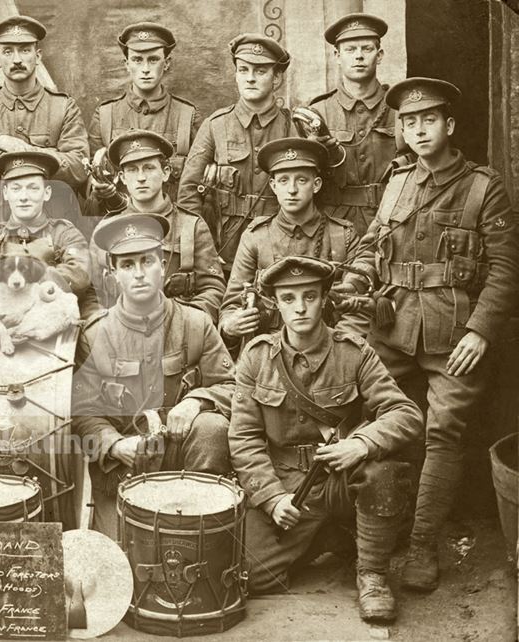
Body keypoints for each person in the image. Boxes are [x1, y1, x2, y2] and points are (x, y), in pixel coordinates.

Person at [340, 78, 519, 591]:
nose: (418, 130)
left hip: (455, 336)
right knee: (360, 406)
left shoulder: (484, 187)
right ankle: (370, 535)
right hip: (392, 327)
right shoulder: (397, 182)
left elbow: (506, 270)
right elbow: (374, 243)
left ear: (450, 126)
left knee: (444, 430)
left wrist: (481, 333)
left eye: (428, 121)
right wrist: (354, 281)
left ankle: (421, 546)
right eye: (409, 122)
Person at [230, 255, 422, 622]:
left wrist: (361, 444)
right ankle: (334, 538)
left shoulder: (353, 352)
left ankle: (372, 575)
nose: (300, 308)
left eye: (310, 296)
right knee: (251, 576)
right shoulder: (256, 359)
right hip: (288, 486)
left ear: (324, 298)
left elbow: (407, 414)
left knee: (382, 470)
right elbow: (244, 439)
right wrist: (271, 498)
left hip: (341, 479)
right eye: (288, 298)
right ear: (275, 302)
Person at [72, 213, 235, 538]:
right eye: (128, 265)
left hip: (186, 459)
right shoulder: (95, 334)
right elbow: (81, 412)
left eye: (147, 262)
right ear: (113, 274)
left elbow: (231, 386)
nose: (139, 274)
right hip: (126, 465)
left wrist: (196, 402)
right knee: (122, 569)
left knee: (212, 428)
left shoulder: (195, 323)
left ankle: (199, 528)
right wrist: (114, 444)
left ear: (163, 265)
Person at [177, 34, 319, 274]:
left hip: (283, 248)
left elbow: (314, 194)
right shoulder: (215, 125)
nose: (250, 78)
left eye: (260, 71)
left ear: (276, 79)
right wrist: (205, 249)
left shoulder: (295, 127)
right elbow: (189, 195)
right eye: (243, 70)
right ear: (236, 76)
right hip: (225, 250)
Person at [0, 15, 89, 237]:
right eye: (7, 51)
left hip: (52, 227)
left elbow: (79, 168)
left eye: (24, 50)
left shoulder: (63, 107)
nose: (16, 59)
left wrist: (29, 153)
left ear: (38, 55)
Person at [220, 137, 361, 344]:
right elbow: (231, 305)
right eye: (284, 180)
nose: (292, 189)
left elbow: (357, 310)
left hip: (331, 346)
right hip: (268, 350)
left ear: (316, 184)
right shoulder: (256, 237)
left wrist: (339, 346)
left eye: (301, 180)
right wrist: (230, 326)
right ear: (273, 186)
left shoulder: (342, 235)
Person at [89, 130, 224, 320]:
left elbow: (214, 290)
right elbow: (91, 293)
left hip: (177, 334)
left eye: (149, 168)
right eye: (132, 170)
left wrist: (181, 321)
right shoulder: (107, 229)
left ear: (165, 173)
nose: (141, 177)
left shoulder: (190, 226)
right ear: (122, 177)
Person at [0, 151, 91, 311]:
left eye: (33, 188)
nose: (23, 197)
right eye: (16, 189)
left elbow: (79, 273)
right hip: (1, 317)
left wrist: (29, 284)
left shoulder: (64, 233)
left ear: (47, 193)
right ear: (6, 193)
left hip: (52, 315)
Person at [307, 13, 398, 236]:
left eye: (366, 49)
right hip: (333, 222)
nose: (359, 56)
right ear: (337, 56)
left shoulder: (399, 108)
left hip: (391, 219)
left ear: (379, 55)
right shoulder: (319, 111)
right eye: (350, 50)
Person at [88, 22, 196, 203]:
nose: (145, 69)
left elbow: (195, 186)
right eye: (138, 60)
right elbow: (90, 182)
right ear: (127, 64)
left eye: (153, 60)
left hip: (172, 221)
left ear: (167, 63)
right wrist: (99, 189)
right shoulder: (105, 115)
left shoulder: (187, 115)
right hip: (120, 221)